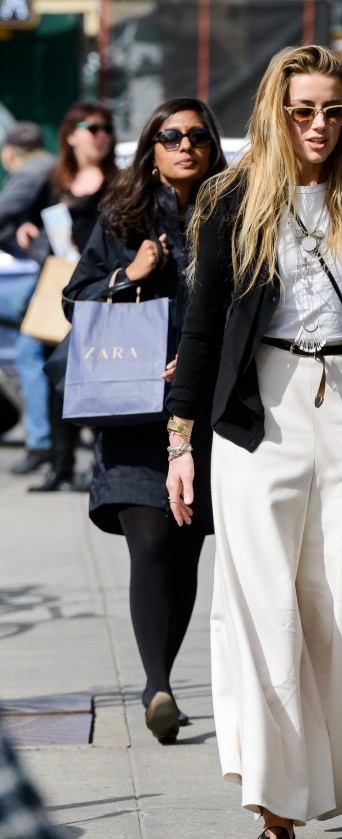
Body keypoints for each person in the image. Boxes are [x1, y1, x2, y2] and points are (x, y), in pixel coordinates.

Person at [166, 45, 342, 839]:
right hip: (261, 413)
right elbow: (204, 324)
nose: (319, 126)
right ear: (274, 112)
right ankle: (278, 803)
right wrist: (180, 439)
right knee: (264, 607)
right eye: (303, 110)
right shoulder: (233, 195)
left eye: (334, 111)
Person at [63, 98, 227, 743]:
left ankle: (164, 680)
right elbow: (75, 302)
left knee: (183, 549)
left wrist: (205, 359)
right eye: (171, 135)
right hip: (132, 408)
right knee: (152, 542)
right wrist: (129, 273)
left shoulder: (233, 215)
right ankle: (158, 685)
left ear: (212, 147)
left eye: (197, 136)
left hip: (203, 409)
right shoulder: (122, 216)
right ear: (152, 148)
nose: (185, 145)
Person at [16, 101, 117, 492]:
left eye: (106, 128)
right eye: (93, 128)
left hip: (103, 289)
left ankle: (98, 468)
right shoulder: (55, 180)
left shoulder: (119, 181)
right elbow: (25, 220)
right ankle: (59, 465)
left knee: (99, 377)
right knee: (58, 375)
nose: (102, 136)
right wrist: (27, 234)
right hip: (59, 288)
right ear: (72, 135)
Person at [0, 121, 55, 474]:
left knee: (29, 349)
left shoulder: (29, 172)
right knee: (28, 349)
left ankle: (41, 441)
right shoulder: (49, 164)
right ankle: (41, 439)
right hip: (50, 274)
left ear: (9, 154)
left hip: (51, 276)